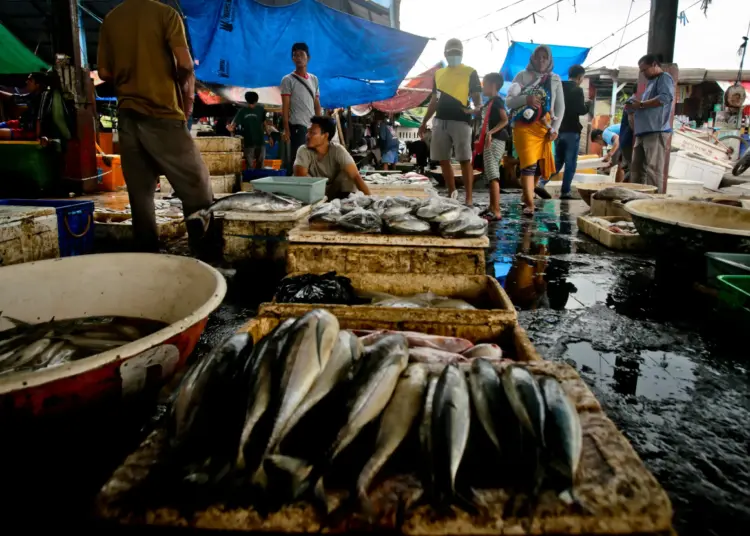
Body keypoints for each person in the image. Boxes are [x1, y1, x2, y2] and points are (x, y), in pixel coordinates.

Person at [98, 0, 212, 254]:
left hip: (128, 115)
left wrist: (132, 73)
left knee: (141, 195)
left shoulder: (112, 19)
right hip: (163, 113)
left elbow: (104, 72)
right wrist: (181, 93)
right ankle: (204, 254)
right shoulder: (166, 15)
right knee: (197, 188)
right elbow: (184, 64)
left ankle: (148, 255)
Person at [418, 38, 482, 204]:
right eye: (451, 52)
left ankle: (468, 198)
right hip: (440, 121)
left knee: (464, 159)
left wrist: (476, 108)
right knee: (442, 158)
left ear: (461, 53)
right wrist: (424, 122)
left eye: (457, 52)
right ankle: (451, 192)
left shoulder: (470, 72)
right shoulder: (439, 74)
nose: (454, 55)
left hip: (462, 121)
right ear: (445, 54)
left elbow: (476, 97)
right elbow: (434, 100)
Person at [506, 45, 565, 216]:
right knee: (529, 164)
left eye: (544, 58)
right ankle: (530, 204)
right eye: (538, 57)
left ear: (549, 60)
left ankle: (527, 194)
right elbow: (509, 101)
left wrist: (555, 129)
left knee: (539, 166)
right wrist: (526, 98)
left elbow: (560, 107)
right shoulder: (521, 76)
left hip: (544, 126)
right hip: (523, 127)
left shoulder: (555, 79)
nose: (541, 61)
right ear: (532, 59)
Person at [626, 53, 675, 191]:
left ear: (654, 64)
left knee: (653, 170)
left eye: (644, 69)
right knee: (637, 170)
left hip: (656, 131)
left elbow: (664, 98)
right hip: (643, 132)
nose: (643, 73)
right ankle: (636, 198)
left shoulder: (664, 78)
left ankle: (654, 201)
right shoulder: (651, 83)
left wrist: (640, 105)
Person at [294, 115, 371, 200]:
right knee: (301, 179)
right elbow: (300, 175)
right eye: (308, 132)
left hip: (333, 192)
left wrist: (370, 199)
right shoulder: (303, 150)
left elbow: (356, 176)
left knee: (348, 175)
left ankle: (342, 204)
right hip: (313, 193)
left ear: (326, 136)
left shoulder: (338, 150)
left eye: (313, 133)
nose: (308, 136)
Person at [281, 43, 321, 174]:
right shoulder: (287, 80)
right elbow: (285, 106)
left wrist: (319, 125)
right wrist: (286, 129)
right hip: (297, 126)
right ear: (292, 59)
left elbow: (316, 103)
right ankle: (293, 186)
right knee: (297, 160)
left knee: (311, 159)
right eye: (295, 55)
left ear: (308, 57)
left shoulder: (314, 79)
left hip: (311, 126)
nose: (298, 58)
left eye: (301, 55)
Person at [478, 72, 509, 221]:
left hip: (495, 140)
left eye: (485, 84)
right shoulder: (489, 102)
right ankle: (491, 207)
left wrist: (490, 133)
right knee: (490, 174)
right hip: (491, 140)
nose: (483, 87)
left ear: (493, 85)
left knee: (493, 174)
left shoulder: (497, 101)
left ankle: (496, 210)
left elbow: (505, 120)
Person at [556, 64, 588, 199]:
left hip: (557, 129)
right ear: (580, 77)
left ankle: (540, 182)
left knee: (557, 161)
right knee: (570, 163)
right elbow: (581, 110)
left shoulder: (559, 87)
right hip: (571, 131)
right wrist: (588, 105)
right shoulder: (577, 90)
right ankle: (565, 191)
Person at [229, 91, 267, 170]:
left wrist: (231, 129)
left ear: (246, 100)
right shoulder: (245, 111)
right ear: (257, 100)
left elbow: (233, 125)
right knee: (258, 165)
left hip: (255, 141)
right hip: (252, 142)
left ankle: (251, 180)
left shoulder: (244, 111)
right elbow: (265, 124)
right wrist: (269, 136)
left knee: (251, 165)